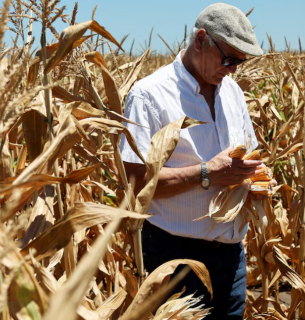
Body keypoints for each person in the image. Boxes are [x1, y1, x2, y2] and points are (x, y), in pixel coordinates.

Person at [120, 3, 265, 319]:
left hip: (230, 259)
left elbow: (249, 155)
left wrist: (255, 178)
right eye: (227, 59)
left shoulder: (233, 93)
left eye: (239, 62)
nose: (232, 70)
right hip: (174, 259)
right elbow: (136, 185)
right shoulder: (149, 96)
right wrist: (207, 173)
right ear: (200, 39)